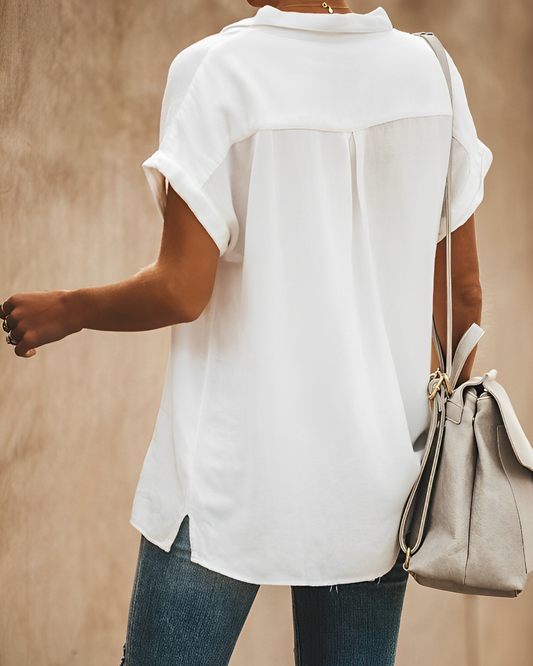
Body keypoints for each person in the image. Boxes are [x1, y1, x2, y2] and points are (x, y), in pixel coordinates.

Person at [2, 0, 491, 664]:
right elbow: (462, 298)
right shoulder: (431, 75)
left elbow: (181, 287)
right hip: (380, 485)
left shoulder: (218, 71)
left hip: (229, 477)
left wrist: (70, 307)